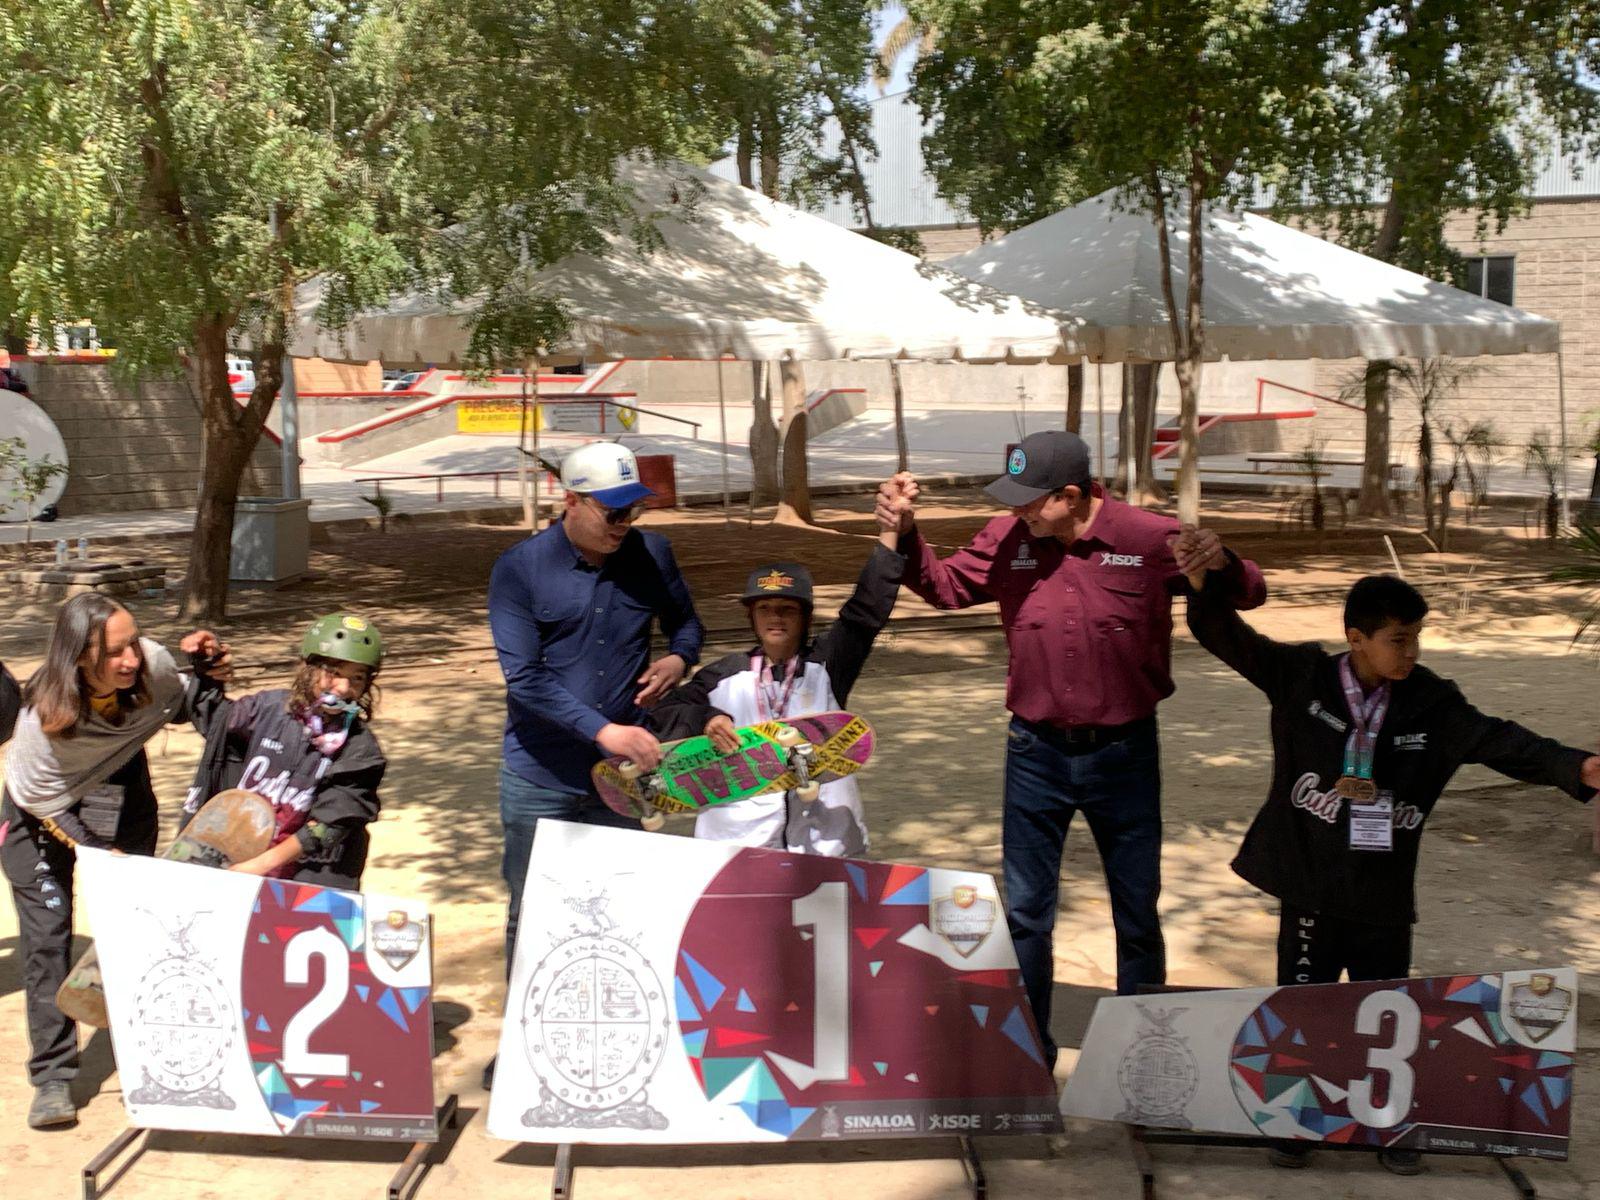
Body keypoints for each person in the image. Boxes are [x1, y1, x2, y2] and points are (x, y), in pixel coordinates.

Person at [1185, 571, 1600, 1173]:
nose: (1412, 652)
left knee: (1385, 1008)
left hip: (1381, 888)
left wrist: (1579, 767)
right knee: (1306, 1006)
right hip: (1309, 880)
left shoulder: (1432, 700)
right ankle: (1296, 1121)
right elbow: (1224, 634)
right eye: (1398, 640)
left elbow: (1500, 741)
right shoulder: (1302, 676)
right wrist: (1205, 583)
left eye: (1417, 638)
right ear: (1356, 638)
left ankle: (1388, 1124)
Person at [876, 430, 1266, 1067]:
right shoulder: (1007, 541)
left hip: (1126, 754)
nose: (1019, 512)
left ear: (1073, 495)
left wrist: (1220, 561)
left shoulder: (1146, 538)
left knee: (1135, 908)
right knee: (1028, 912)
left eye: (1033, 501)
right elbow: (947, 588)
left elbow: (1249, 591)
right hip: (1035, 755)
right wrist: (908, 532)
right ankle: (1028, 1052)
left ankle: (1145, 1055)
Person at [0, 595, 227, 1128]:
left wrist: (212, 674)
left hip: (119, 787)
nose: (132, 660)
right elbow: (43, 801)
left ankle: (149, 1052)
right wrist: (101, 855)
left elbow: (193, 705)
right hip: (40, 814)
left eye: (133, 643)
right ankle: (53, 1075)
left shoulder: (153, 666)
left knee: (138, 927)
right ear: (79, 657)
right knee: (48, 939)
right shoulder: (39, 722)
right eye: (115, 652)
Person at [486, 439, 704, 968]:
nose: (624, 523)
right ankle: (525, 1042)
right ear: (571, 501)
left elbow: (688, 624)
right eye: (613, 511)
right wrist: (604, 730)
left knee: (620, 911)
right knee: (533, 910)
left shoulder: (654, 555)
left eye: (633, 510)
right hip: (541, 777)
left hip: (624, 780)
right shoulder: (519, 569)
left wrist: (679, 659)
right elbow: (524, 678)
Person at [648, 525, 903, 856]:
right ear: (751, 616)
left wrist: (891, 531)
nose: (775, 617)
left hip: (823, 841)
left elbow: (865, 612)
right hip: (738, 843)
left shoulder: (826, 667)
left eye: (787, 609)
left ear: (806, 617)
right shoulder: (722, 675)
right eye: (764, 608)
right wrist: (706, 719)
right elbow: (662, 714)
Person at [181, 613, 386, 889]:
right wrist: (209, 666)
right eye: (334, 673)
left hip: (305, 881)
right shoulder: (265, 709)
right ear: (308, 667)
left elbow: (326, 829)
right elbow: (214, 719)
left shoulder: (360, 750)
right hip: (233, 859)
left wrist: (258, 867)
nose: (344, 688)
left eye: (357, 678)